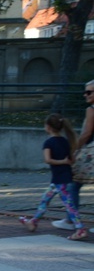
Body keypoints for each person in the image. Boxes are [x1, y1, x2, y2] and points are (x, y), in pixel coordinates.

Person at [19, 113, 88, 240]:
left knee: (69, 205)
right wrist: (66, 162)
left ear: (48, 127)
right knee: (45, 200)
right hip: (60, 179)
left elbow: (48, 160)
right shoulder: (66, 141)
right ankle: (34, 221)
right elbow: (71, 160)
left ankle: (80, 228)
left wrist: (62, 161)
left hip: (60, 180)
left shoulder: (48, 143)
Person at [53, 79, 94, 231]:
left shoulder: (91, 110)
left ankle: (71, 219)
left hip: (90, 152)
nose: (85, 95)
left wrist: (75, 149)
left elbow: (86, 133)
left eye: (89, 92)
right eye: (85, 92)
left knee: (73, 183)